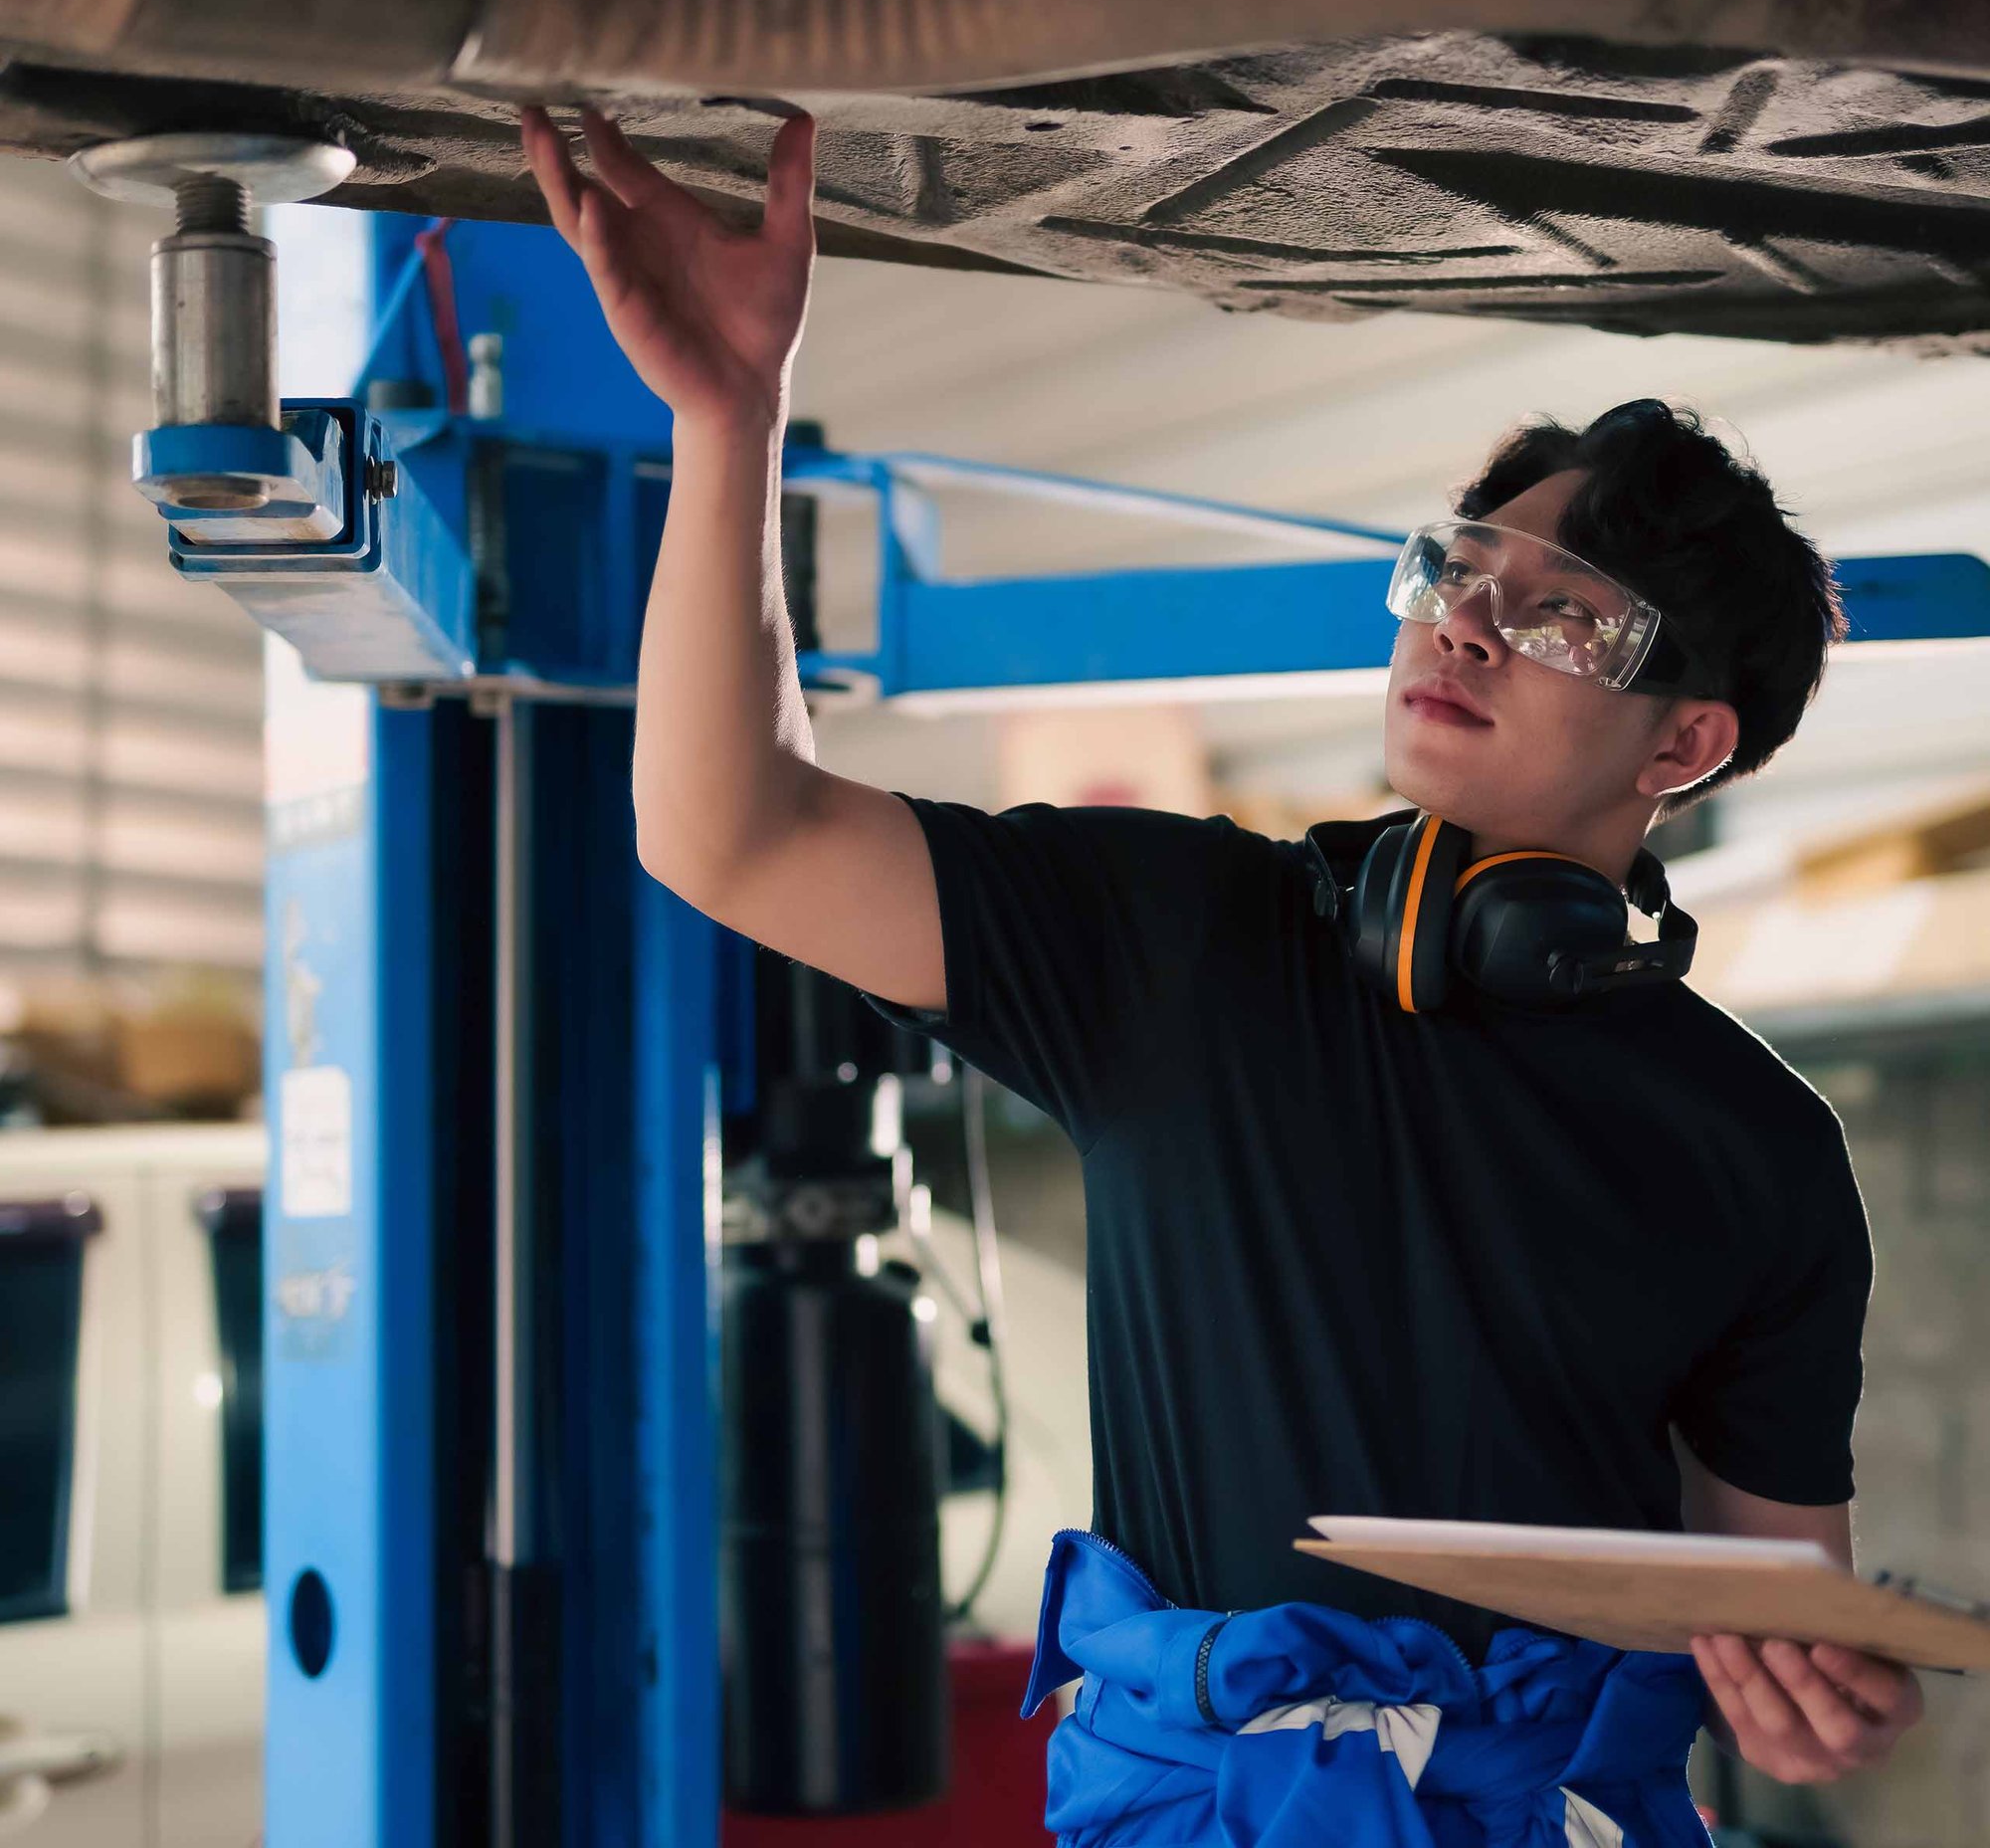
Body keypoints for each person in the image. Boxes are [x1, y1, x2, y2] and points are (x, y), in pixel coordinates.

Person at [520, 103, 1924, 1841]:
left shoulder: (1759, 1150)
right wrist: (725, 418)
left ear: (1686, 743)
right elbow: (724, 830)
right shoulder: (1184, 942)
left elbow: (1780, 1612)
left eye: (1565, 616)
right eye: (1458, 571)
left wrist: (1813, 1701)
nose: (1466, 623)